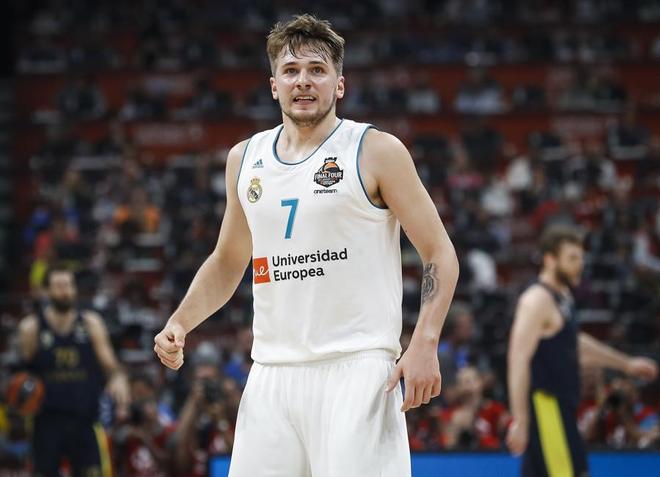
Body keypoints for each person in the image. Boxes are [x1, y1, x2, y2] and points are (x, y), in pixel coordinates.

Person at [154, 14, 459, 477]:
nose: (303, 81)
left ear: (339, 84)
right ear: (273, 85)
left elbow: (439, 252)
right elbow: (229, 260)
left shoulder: (376, 150)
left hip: (357, 371)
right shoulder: (245, 158)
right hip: (271, 374)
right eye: (291, 70)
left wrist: (424, 343)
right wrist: (180, 321)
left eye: (317, 70)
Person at [506, 224, 658, 477]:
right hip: (547, 407)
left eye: (581, 258)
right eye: (572, 258)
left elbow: (575, 344)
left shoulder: (562, 297)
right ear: (550, 259)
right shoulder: (536, 301)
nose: (580, 265)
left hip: (562, 408)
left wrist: (626, 364)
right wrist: (520, 420)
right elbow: (517, 359)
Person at [17, 266, 130, 477]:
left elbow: (111, 366)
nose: (65, 291)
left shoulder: (90, 323)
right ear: (47, 291)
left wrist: (118, 378)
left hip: (84, 419)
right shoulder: (31, 328)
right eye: (59, 286)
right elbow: (22, 376)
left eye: (68, 285)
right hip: (46, 421)